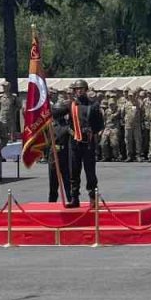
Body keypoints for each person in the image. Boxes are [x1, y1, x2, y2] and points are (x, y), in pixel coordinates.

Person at [51, 79, 105, 208]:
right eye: (77, 89)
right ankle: (74, 198)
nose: (79, 91)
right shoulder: (70, 105)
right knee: (73, 171)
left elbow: (99, 124)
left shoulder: (93, 105)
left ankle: (93, 198)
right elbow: (54, 114)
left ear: (86, 90)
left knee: (90, 171)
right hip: (74, 142)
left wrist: (93, 131)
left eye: (81, 89)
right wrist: (45, 102)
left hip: (88, 142)